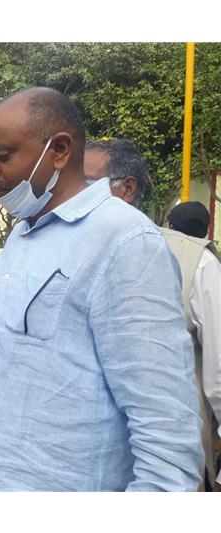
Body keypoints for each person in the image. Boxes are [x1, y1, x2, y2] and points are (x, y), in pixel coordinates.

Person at [0, 87, 204, 491]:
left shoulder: (125, 243)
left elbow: (165, 435)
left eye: (3, 155)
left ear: (59, 150)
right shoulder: (24, 234)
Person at [86, 139, 220, 490]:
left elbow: (219, 373)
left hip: (162, 471)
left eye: (85, 185)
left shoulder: (195, 261)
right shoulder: (65, 254)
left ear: (127, 188)